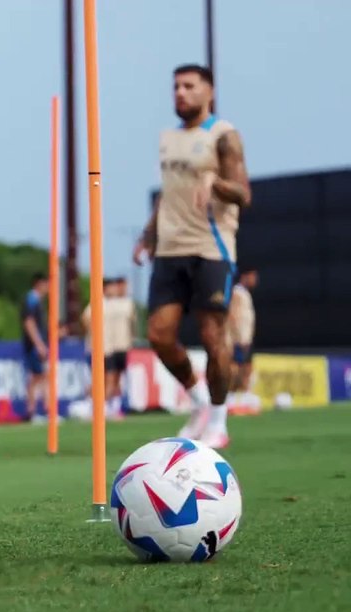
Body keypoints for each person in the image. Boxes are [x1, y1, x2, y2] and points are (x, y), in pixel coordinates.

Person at [133, 64, 250, 449]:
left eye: (189, 86)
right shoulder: (168, 139)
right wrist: (148, 234)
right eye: (176, 87)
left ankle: (219, 419)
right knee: (159, 335)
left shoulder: (223, 136)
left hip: (210, 247)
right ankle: (199, 401)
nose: (180, 93)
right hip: (170, 248)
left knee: (213, 334)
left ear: (209, 92)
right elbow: (170, 191)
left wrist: (215, 182)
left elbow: (244, 194)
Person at [83, 278, 137, 419]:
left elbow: (132, 323)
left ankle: (113, 406)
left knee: (117, 378)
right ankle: (98, 407)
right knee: (106, 378)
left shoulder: (124, 303)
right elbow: (86, 319)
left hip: (120, 345)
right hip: (104, 347)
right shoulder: (99, 303)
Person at [227, 266, 258, 409]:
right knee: (235, 367)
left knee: (246, 367)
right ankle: (230, 395)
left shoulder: (245, 293)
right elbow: (233, 315)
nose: (255, 279)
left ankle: (245, 395)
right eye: (253, 276)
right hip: (238, 338)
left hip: (246, 337)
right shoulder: (237, 292)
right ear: (245, 276)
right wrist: (238, 337)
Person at [21, 273, 50, 423]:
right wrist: (39, 344)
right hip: (33, 346)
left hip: (37, 344)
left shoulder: (37, 300)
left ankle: (44, 409)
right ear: (40, 284)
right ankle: (32, 410)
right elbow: (29, 322)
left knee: (43, 376)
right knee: (36, 376)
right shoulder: (32, 299)